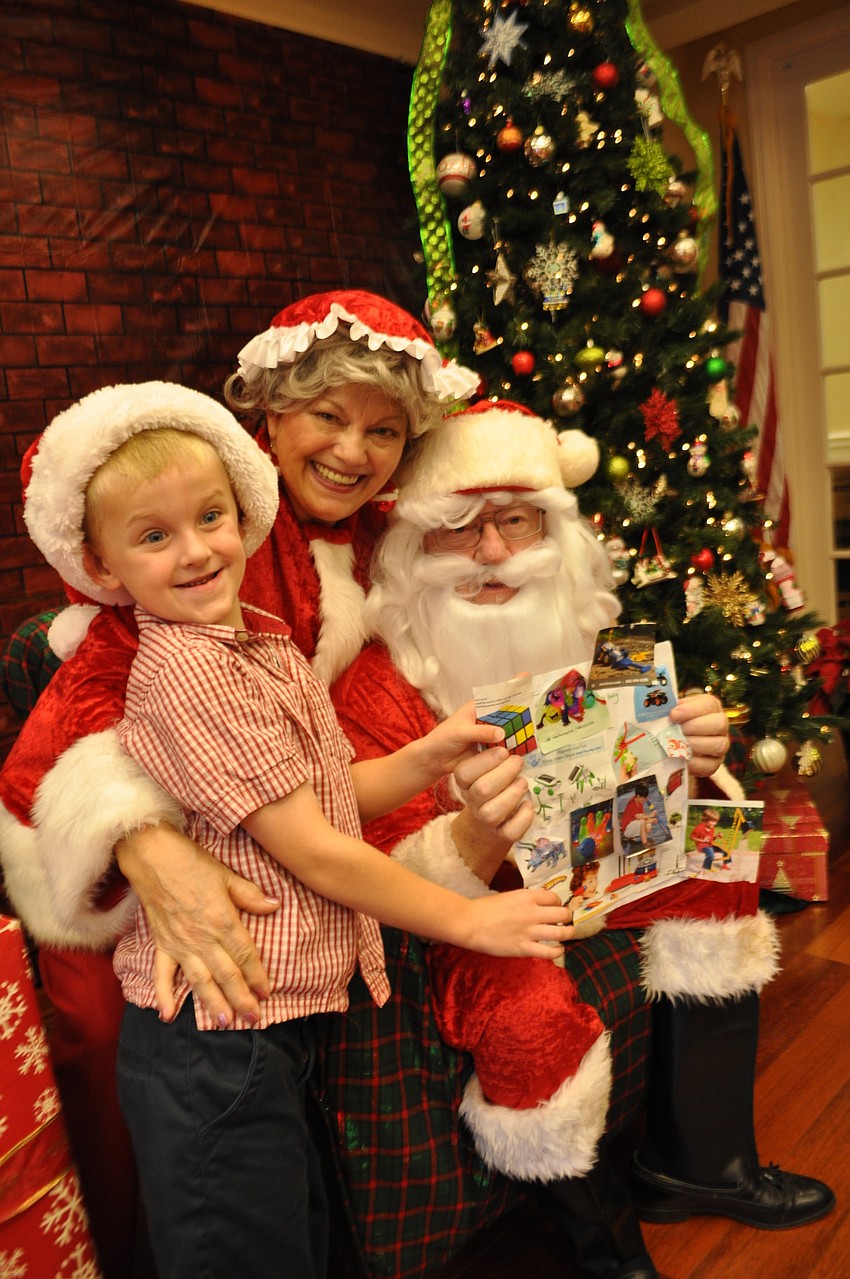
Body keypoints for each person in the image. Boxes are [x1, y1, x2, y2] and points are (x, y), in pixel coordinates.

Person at [25, 381, 573, 1279]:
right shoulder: (190, 677)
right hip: (215, 1038)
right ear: (105, 565)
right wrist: (470, 919)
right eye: (154, 535)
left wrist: (428, 755)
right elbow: (314, 848)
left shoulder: (264, 641)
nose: (197, 551)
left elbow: (325, 793)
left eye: (211, 517)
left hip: (271, 1027)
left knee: (292, 1241)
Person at [324, 399, 834, 1277]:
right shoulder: (373, 679)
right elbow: (392, 864)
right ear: (410, 546)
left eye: (514, 522)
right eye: (458, 527)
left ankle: (700, 1167)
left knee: (718, 857)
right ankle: (607, 1247)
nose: (490, 554)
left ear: (553, 530)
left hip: (596, 855)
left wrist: (699, 747)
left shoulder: (586, 629)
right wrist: (476, 837)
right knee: (526, 1016)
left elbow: (654, 762)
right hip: (471, 903)